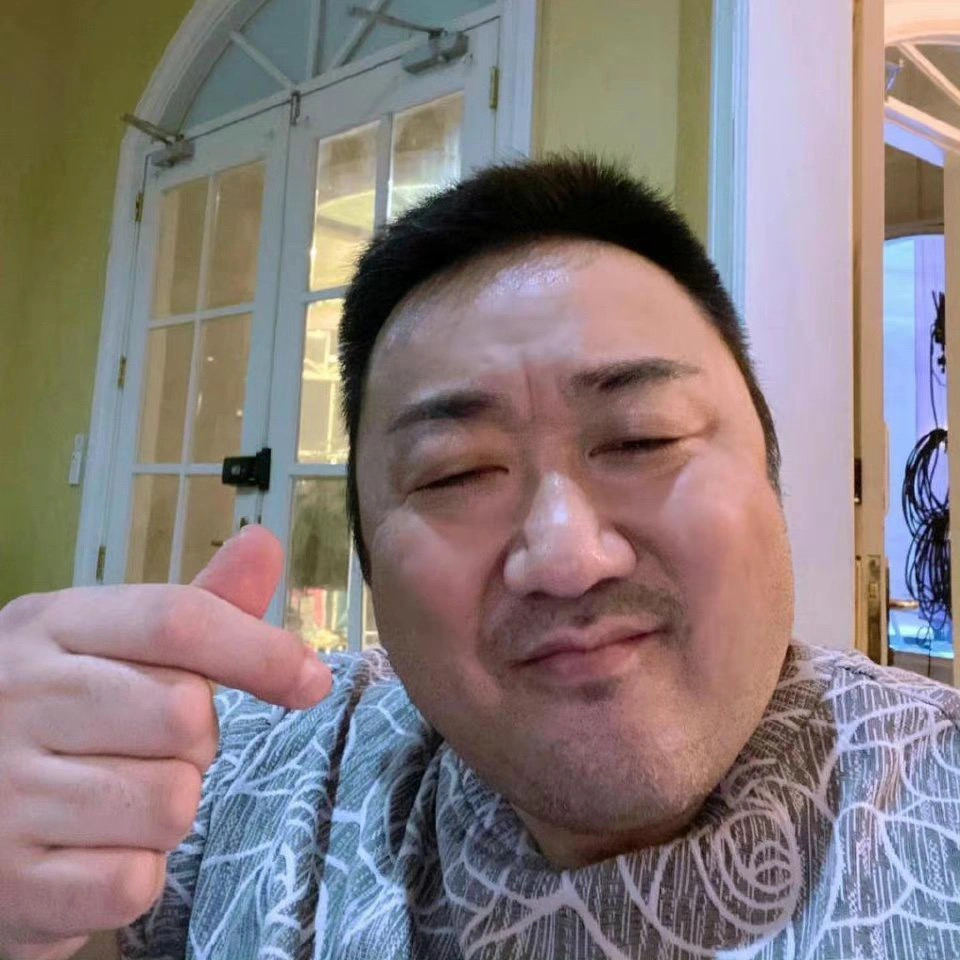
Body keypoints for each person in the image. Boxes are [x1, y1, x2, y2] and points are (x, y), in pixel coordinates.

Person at [1, 157, 958, 960]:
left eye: (642, 439)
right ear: (370, 562)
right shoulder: (228, 777)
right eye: (455, 473)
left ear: (772, 478)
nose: (567, 556)